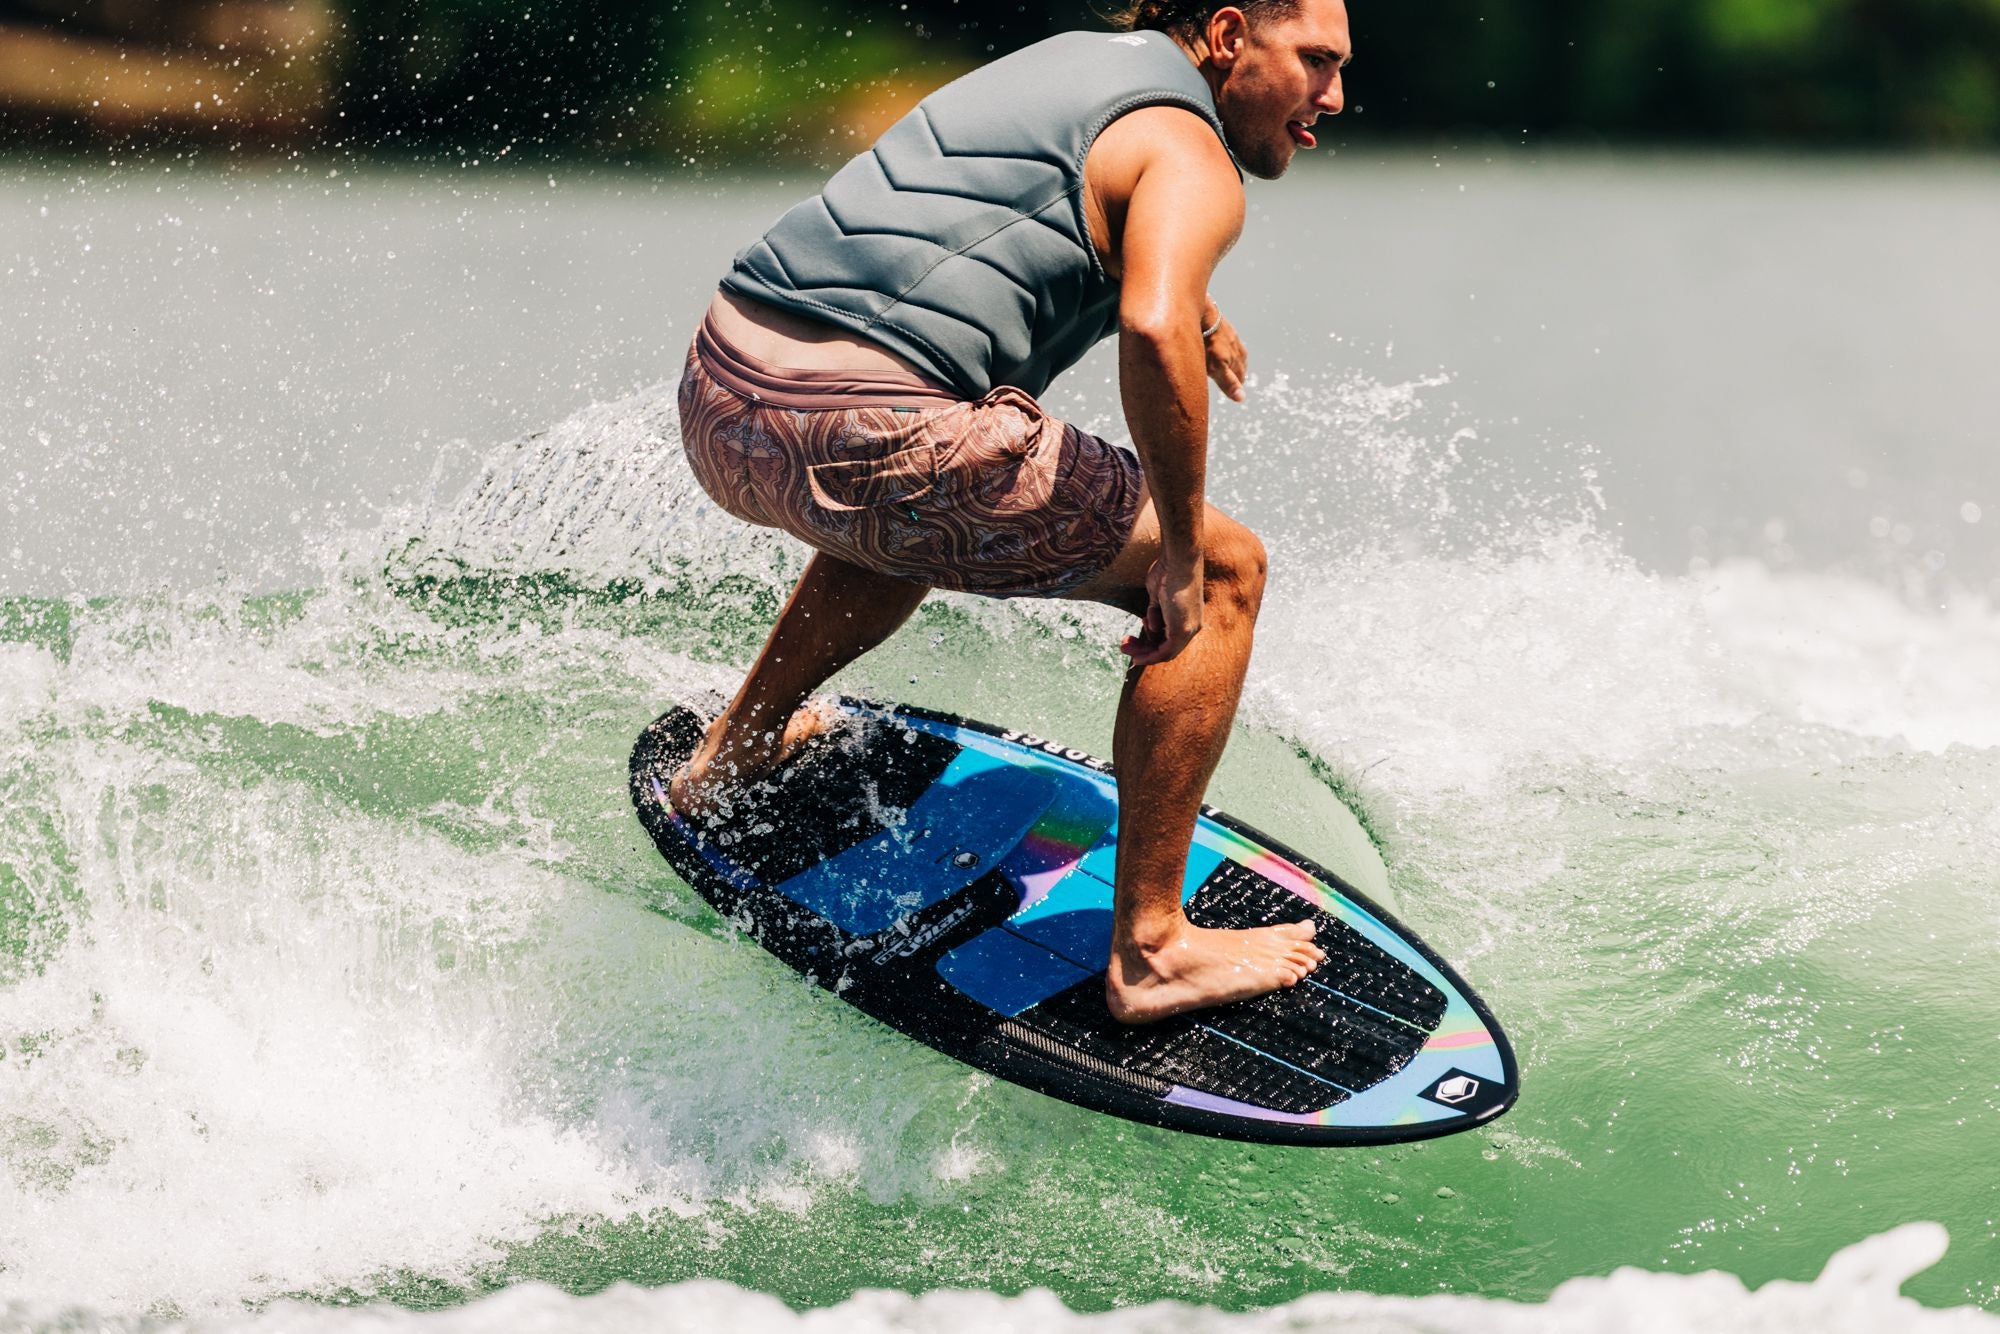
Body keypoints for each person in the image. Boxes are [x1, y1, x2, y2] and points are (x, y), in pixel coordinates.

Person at [672, 0, 1352, 1023]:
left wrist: (1197, 309)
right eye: (1312, 61)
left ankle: (733, 753)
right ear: (1225, 37)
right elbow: (1149, 322)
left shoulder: (1075, 63)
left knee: (917, 492)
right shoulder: (1192, 157)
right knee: (1220, 570)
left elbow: (986, 202)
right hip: (865, 430)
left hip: (725, 396)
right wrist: (1172, 542)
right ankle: (1154, 948)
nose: (1331, 97)